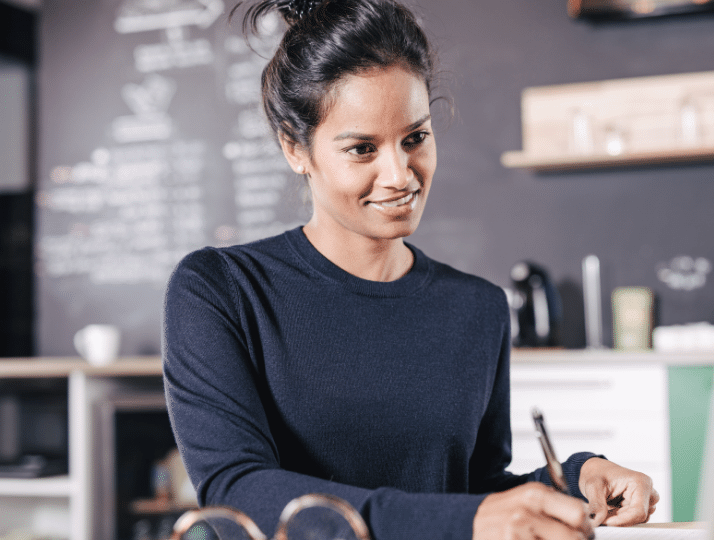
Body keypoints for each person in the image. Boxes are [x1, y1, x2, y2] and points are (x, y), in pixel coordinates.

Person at [162, 1, 660, 539]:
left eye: (415, 138)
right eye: (362, 149)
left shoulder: (477, 307)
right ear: (295, 148)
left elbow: (470, 490)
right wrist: (468, 520)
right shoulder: (221, 290)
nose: (400, 174)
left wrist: (576, 478)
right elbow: (238, 491)